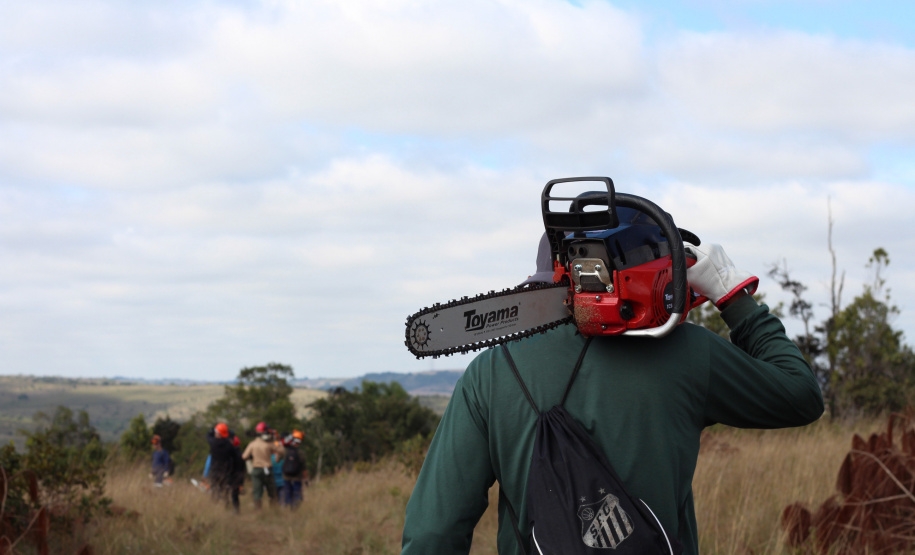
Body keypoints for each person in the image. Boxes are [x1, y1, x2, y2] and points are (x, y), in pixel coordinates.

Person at [401, 233, 825, 554]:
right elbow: (800, 394)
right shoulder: (689, 353)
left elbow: (431, 534)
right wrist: (734, 298)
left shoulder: (491, 372)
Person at [242, 421, 285, 509]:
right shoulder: (270, 444)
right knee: (272, 492)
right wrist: (276, 440)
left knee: (257, 493)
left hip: (256, 470)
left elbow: (244, 456)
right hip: (267, 470)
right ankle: (274, 510)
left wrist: (252, 457)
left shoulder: (252, 444)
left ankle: (258, 511)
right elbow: (282, 451)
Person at [207, 422, 245, 512]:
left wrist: (211, 431)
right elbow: (236, 457)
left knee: (215, 491)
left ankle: (216, 508)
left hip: (215, 472)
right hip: (226, 472)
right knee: (225, 492)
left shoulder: (213, 443)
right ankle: (226, 508)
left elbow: (208, 436)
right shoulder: (229, 446)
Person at [281, 429, 306, 509]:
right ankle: (296, 506)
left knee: (288, 492)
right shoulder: (300, 452)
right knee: (297, 491)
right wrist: (305, 479)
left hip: (286, 476)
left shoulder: (285, 451)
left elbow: (278, 459)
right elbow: (304, 467)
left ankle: (288, 506)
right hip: (297, 477)